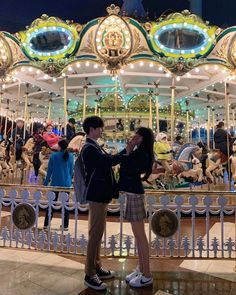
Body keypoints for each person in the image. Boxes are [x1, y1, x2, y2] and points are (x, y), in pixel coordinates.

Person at [81, 116, 129, 291]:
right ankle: (89, 273)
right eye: (100, 128)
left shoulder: (95, 147)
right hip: (97, 195)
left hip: (101, 195)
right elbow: (108, 162)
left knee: (98, 233)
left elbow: (108, 161)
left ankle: (96, 266)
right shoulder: (89, 149)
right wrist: (126, 150)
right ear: (92, 129)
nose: (102, 130)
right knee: (95, 234)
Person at [118, 127, 154, 288]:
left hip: (135, 194)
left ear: (142, 138)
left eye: (137, 135)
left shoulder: (141, 154)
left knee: (141, 237)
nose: (134, 136)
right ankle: (141, 268)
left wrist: (128, 149)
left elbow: (125, 168)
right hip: (133, 192)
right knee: (138, 236)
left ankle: (147, 274)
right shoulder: (141, 152)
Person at [43, 139, 74, 231]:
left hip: (55, 183)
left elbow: (49, 171)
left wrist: (46, 182)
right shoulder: (71, 156)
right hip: (66, 183)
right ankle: (65, 225)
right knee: (65, 204)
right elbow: (71, 170)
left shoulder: (54, 156)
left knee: (51, 203)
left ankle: (46, 224)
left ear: (59, 146)